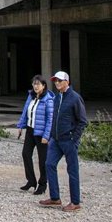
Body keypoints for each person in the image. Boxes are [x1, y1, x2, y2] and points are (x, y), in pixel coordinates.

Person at [39, 71, 88, 212]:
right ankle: (55, 198)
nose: (57, 83)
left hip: (69, 140)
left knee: (72, 170)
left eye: (60, 80)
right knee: (49, 164)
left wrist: (74, 138)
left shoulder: (74, 98)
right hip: (56, 139)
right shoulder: (57, 98)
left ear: (67, 81)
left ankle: (75, 202)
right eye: (55, 81)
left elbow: (82, 121)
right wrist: (51, 136)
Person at [16, 74, 54, 195]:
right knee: (26, 154)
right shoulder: (31, 96)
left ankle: (42, 185)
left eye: (38, 84)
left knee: (43, 160)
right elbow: (25, 111)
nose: (35, 86)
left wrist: (46, 136)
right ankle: (31, 181)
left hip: (41, 132)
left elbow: (50, 119)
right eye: (34, 83)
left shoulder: (48, 99)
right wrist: (21, 126)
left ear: (44, 85)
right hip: (30, 130)